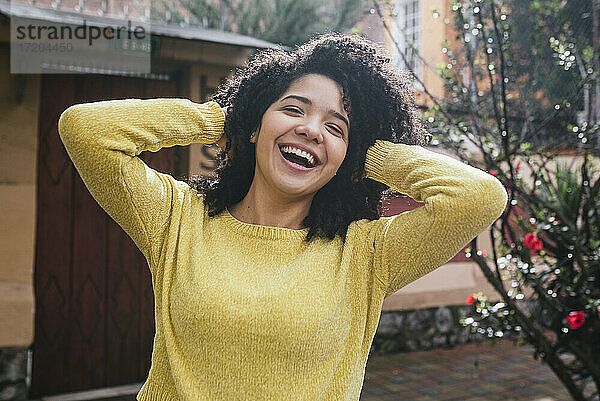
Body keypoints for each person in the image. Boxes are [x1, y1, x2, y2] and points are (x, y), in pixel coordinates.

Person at [58, 33, 507, 401]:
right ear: (255, 124)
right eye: (293, 109)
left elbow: (479, 197)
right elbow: (86, 130)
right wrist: (225, 119)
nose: (311, 129)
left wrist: (361, 154)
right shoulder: (177, 219)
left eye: (336, 127)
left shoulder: (367, 254)